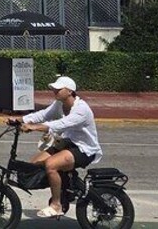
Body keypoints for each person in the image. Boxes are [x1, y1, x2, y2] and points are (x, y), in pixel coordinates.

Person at [10, 76, 102, 219]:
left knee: (51, 165)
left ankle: (56, 204)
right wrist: (20, 119)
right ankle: (64, 188)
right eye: (54, 88)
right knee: (35, 164)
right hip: (67, 144)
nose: (55, 91)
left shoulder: (81, 109)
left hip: (84, 150)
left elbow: (60, 124)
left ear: (70, 91)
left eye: (58, 89)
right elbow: (43, 115)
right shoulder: (59, 104)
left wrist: (34, 127)